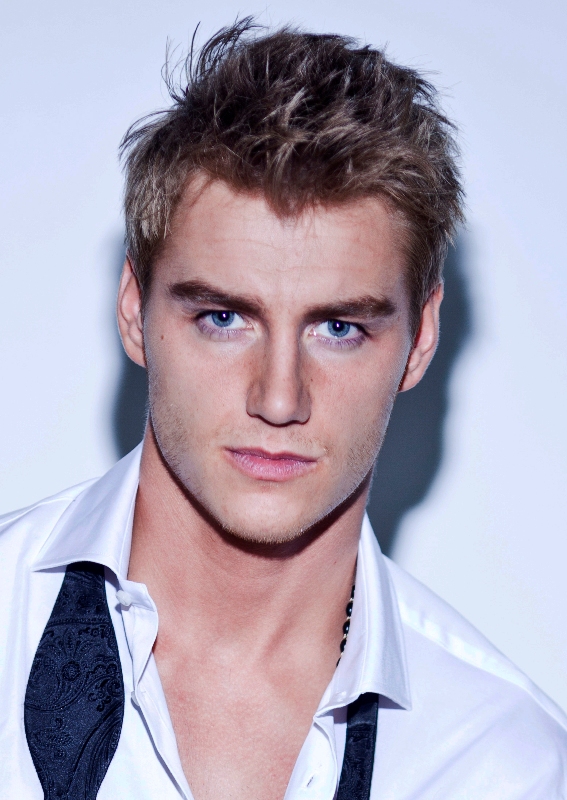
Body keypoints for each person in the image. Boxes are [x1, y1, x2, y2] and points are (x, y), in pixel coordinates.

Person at [1, 19, 565, 800]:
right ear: (134, 309)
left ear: (421, 339)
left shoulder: (504, 768)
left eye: (338, 329)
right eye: (223, 317)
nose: (277, 398)